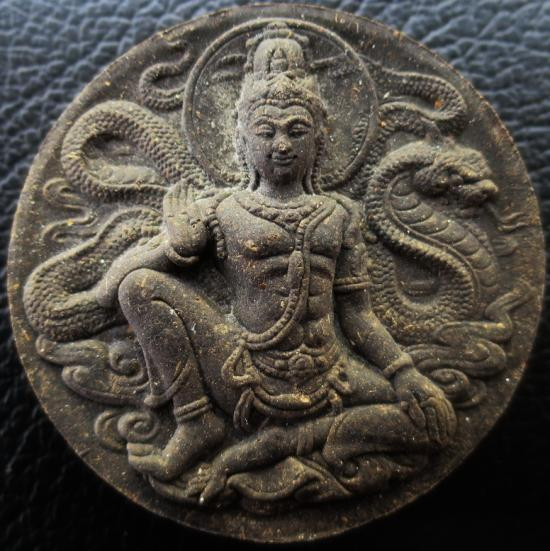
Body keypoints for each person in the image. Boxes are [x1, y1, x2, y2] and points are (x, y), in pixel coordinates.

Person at [95, 23, 456, 501]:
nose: (281, 144)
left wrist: (403, 371)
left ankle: (287, 442)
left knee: (434, 423)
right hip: (243, 370)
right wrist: (172, 248)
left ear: (319, 139)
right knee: (139, 287)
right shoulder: (222, 210)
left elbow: (357, 314)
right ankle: (197, 420)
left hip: (331, 374)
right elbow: (111, 290)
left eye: (296, 130)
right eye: (265, 131)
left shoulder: (340, 214)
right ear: (242, 141)